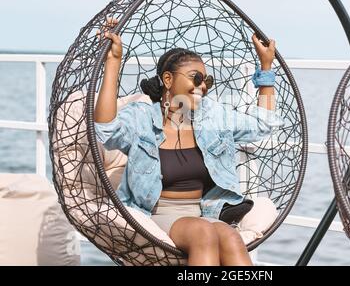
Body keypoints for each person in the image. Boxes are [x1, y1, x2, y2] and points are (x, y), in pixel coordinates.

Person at [94, 18, 283, 265]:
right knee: (204, 234)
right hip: (156, 214)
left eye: (207, 81)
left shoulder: (212, 116)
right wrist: (112, 62)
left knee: (231, 237)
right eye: (196, 78)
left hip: (205, 212)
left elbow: (263, 124)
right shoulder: (142, 118)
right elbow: (106, 129)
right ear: (168, 80)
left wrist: (266, 68)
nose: (202, 87)